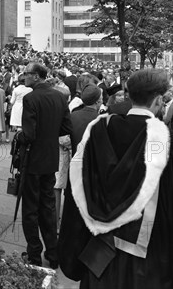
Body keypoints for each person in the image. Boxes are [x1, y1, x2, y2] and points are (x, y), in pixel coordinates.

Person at [59, 69, 173, 289]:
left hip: (99, 254)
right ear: (159, 101)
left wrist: (73, 248)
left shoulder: (99, 131)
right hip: (145, 262)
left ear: (128, 94)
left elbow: (78, 192)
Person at [20, 62, 72, 269]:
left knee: (30, 209)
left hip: (33, 161)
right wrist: (49, 135)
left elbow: (29, 135)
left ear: (35, 76)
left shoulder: (30, 98)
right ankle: (53, 253)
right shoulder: (60, 97)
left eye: (26, 74)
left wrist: (20, 136)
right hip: (50, 159)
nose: (24, 77)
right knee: (48, 207)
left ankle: (34, 253)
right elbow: (66, 127)